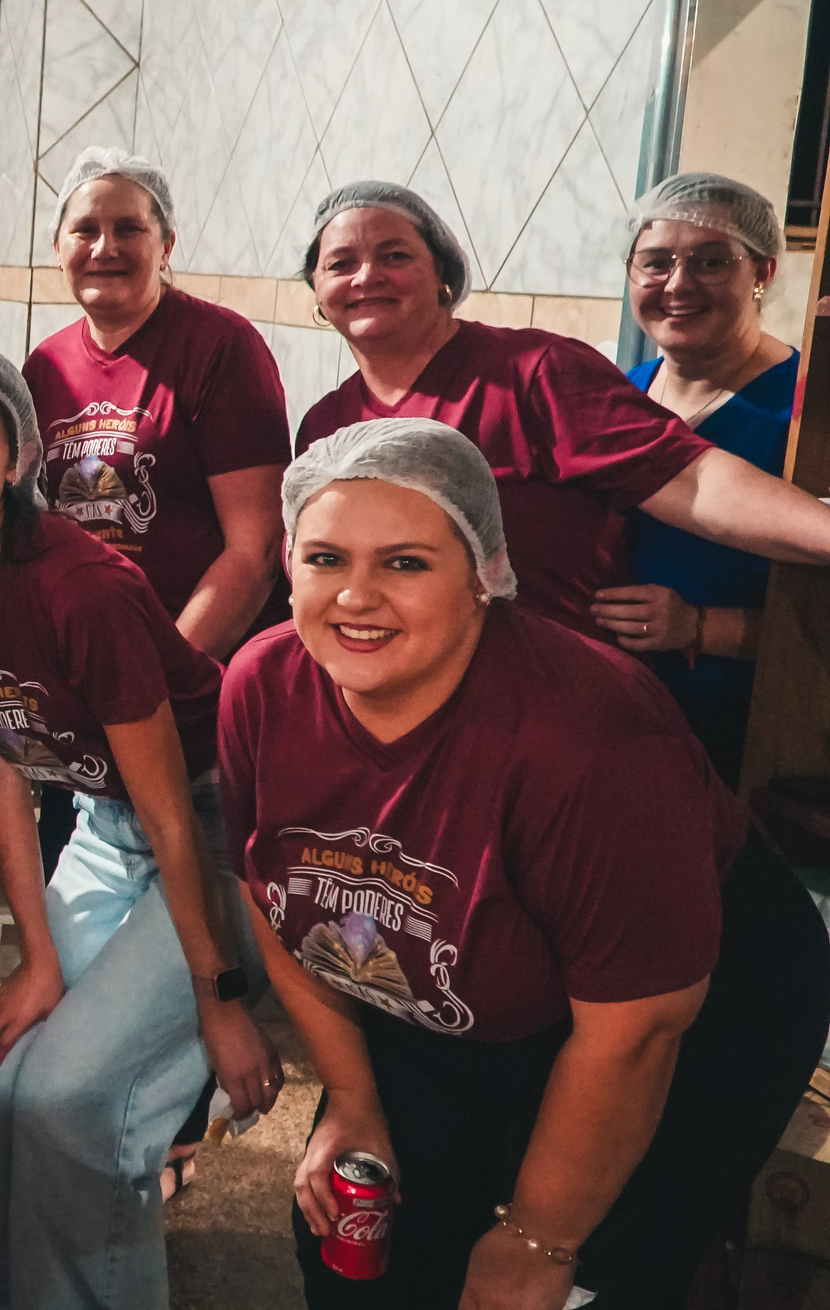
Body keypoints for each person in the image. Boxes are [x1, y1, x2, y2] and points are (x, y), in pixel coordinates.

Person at [229, 418, 830, 1308]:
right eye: (324, 558)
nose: (356, 595)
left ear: (484, 575)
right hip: (461, 994)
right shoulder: (266, 685)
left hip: (680, 1014)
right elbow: (269, 892)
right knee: (363, 1255)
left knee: (575, 1280)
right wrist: (353, 1097)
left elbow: (634, 1032)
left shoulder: (587, 739)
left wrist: (540, 1236)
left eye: (405, 562)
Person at [0, 344, 279, 1310]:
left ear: (19, 460)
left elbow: (173, 812)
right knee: (11, 1085)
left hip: (220, 822)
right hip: (108, 815)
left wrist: (221, 1000)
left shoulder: (78, 586)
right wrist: (38, 952)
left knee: (77, 1102)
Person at [296, 180, 830, 637]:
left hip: (548, 703)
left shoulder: (533, 372)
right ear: (319, 292)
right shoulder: (325, 427)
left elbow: (688, 479)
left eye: (395, 256)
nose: (366, 276)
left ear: (443, 275)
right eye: (341, 264)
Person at [26, 149, 289, 660]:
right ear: (58, 249)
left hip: (194, 662)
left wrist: (167, 671)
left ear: (166, 246)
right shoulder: (44, 366)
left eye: (129, 229)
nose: (105, 247)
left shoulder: (220, 346)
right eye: (85, 230)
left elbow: (254, 550)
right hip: (85, 657)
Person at [603, 173, 800, 783]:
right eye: (655, 263)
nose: (678, 285)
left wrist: (701, 628)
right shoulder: (619, 393)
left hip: (741, 747)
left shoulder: (803, 414)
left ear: (762, 273)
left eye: (712, 261)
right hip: (609, 726)